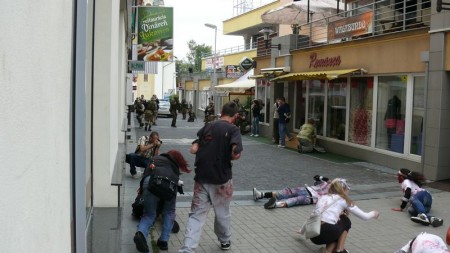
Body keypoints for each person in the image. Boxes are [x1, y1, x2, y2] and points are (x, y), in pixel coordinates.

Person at [179, 101, 243, 253]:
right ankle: (225, 240)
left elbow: (194, 148)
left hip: (201, 177)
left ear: (222, 112)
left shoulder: (208, 126)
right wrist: (233, 153)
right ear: (236, 115)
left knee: (196, 215)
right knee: (222, 213)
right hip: (221, 179)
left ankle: (187, 249)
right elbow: (235, 153)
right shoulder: (233, 129)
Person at [133, 150, 191, 253]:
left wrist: (142, 192)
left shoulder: (155, 159)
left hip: (150, 182)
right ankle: (163, 242)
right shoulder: (174, 167)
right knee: (169, 212)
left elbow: (145, 176)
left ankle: (140, 233)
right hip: (170, 185)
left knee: (149, 214)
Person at [303, 178, 380, 253]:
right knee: (345, 221)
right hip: (327, 232)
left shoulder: (323, 197)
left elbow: (314, 215)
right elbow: (365, 217)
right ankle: (340, 249)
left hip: (313, 235)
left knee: (336, 226)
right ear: (345, 189)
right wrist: (374, 213)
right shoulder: (343, 200)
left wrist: (302, 230)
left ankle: (328, 251)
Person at [252, 175, 330, 209]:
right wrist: (320, 178)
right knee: (284, 193)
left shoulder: (335, 195)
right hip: (305, 189)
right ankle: (260, 195)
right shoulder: (327, 183)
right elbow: (316, 183)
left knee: (292, 201)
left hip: (310, 198)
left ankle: (274, 205)